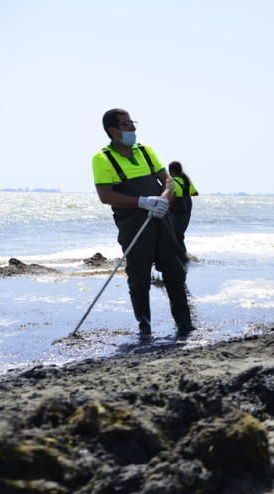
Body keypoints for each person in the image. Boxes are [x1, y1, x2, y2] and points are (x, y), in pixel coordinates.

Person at [92, 108, 194, 338]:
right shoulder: (102, 159)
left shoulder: (146, 151)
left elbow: (167, 181)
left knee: (175, 272)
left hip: (161, 218)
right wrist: (142, 201)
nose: (133, 128)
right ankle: (145, 329)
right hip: (133, 224)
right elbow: (105, 196)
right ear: (113, 130)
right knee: (139, 278)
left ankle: (185, 325)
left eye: (132, 123)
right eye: (127, 124)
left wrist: (164, 199)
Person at [168, 161, 198, 262]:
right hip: (186, 212)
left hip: (177, 212)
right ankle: (181, 256)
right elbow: (195, 193)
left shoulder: (172, 182)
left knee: (175, 235)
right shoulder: (186, 181)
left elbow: (172, 199)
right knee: (179, 234)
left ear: (171, 171)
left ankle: (182, 258)